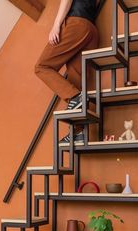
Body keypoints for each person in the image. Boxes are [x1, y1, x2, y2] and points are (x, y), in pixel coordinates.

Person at [35, 0, 104, 143]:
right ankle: (78, 133)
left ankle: (76, 97)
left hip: (76, 23)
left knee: (42, 66)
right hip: (91, 30)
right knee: (76, 79)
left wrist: (56, 25)